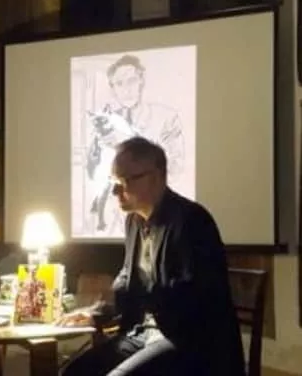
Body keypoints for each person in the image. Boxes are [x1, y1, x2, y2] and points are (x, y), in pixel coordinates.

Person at [60, 137, 245, 376]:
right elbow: (127, 281)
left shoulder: (192, 221)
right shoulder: (134, 222)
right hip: (144, 333)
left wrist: (141, 294)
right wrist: (96, 313)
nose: (115, 191)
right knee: (75, 372)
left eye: (124, 181)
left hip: (187, 341)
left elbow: (195, 296)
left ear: (156, 177)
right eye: (113, 182)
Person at [86, 54, 185, 232]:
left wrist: (122, 141)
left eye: (131, 81)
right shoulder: (104, 120)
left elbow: (175, 168)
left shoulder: (167, 117)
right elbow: (91, 170)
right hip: (110, 220)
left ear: (141, 81)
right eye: (119, 84)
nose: (126, 89)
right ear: (112, 88)